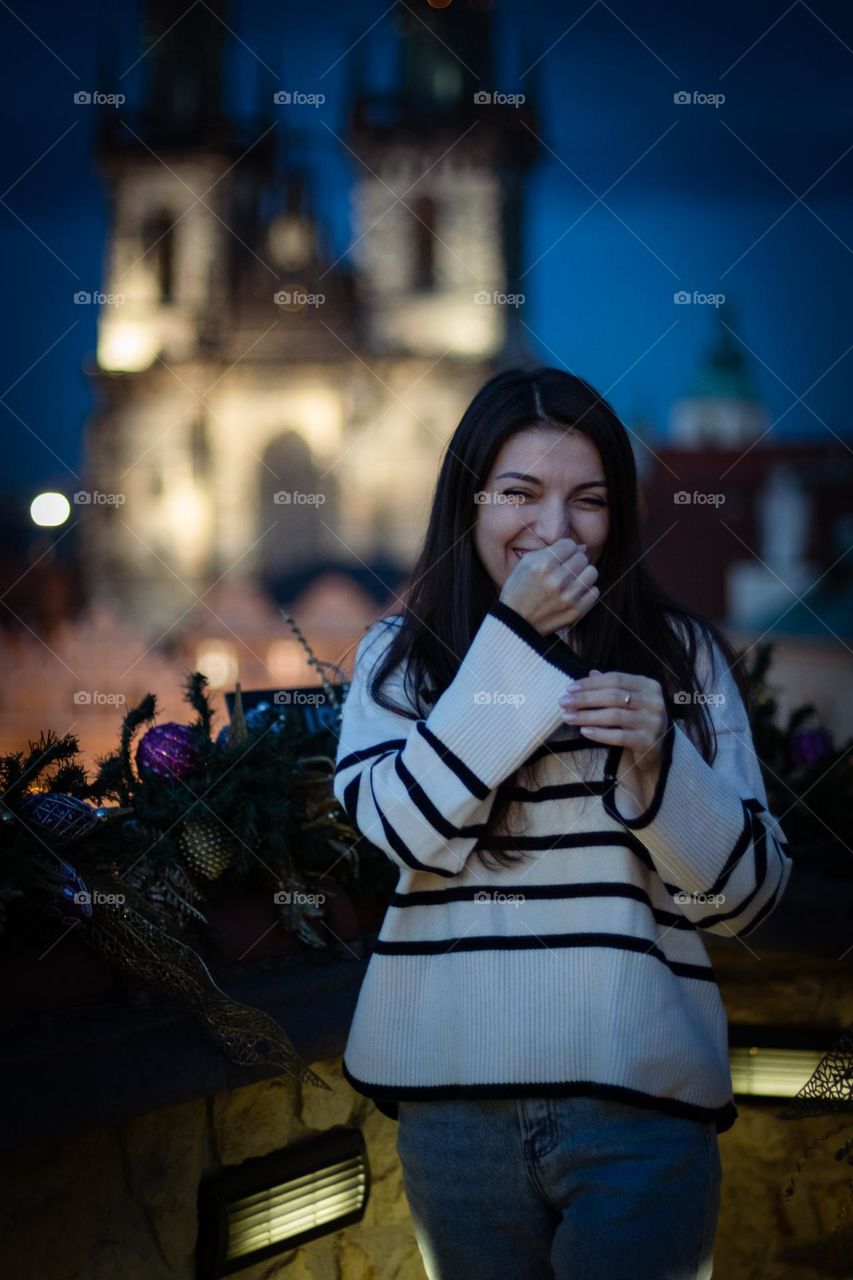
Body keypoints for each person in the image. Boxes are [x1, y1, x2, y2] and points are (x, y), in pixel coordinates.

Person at [333, 366, 793, 1280]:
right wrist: (512, 646)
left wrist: (663, 764)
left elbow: (744, 901)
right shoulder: (397, 658)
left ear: (619, 515)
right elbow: (400, 828)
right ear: (469, 504)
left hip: (642, 1107)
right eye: (518, 494)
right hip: (450, 1106)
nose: (552, 529)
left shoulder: (680, 654)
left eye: (587, 500)